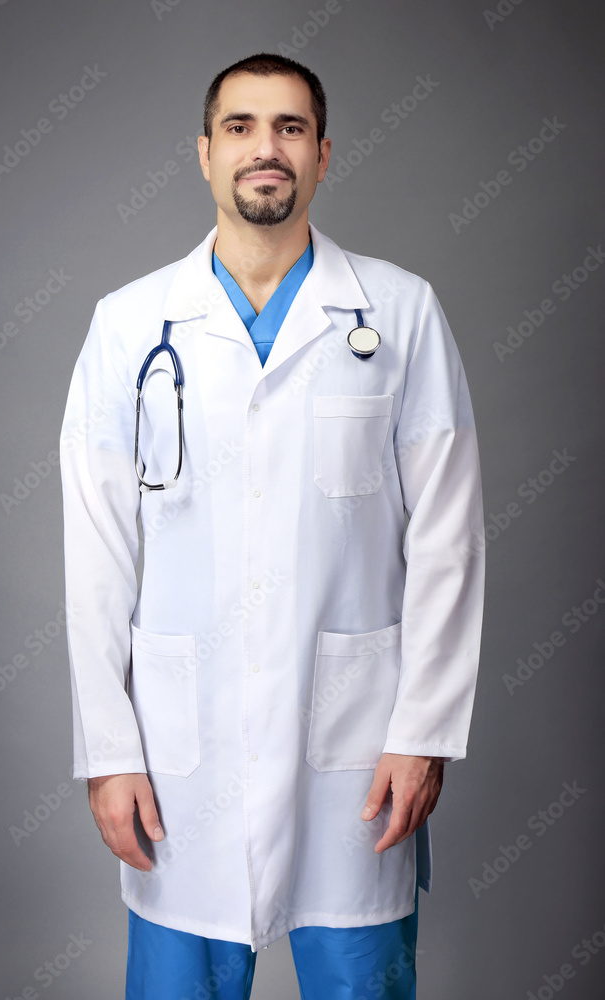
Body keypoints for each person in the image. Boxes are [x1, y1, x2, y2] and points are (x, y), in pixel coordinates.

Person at [59, 52, 485, 1000]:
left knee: (359, 983)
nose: (267, 149)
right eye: (242, 128)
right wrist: (110, 749)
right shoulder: (129, 326)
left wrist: (424, 733)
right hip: (181, 751)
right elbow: (96, 555)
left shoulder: (398, 312)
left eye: (290, 128)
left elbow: (448, 538)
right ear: (204, 154)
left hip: (355, 747)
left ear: (323, 155)